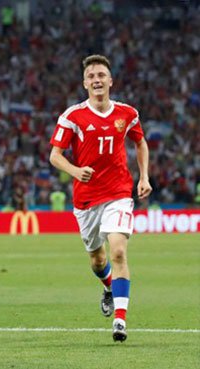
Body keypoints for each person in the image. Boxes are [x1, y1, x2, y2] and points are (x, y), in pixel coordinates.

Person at [49, 55, 151, 342]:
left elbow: (140, 142)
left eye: (101, 75)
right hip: (86, 199)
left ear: (110, 80)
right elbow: (55, 156)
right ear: (85, 83)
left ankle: (120, 320)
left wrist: (143, 177)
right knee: (98, 260)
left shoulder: (127, 113)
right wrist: (75, 170)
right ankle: (108, 286)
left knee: (118, 251)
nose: (97, 80)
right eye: (91, 76)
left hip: (118, 192)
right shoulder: (72, 117)